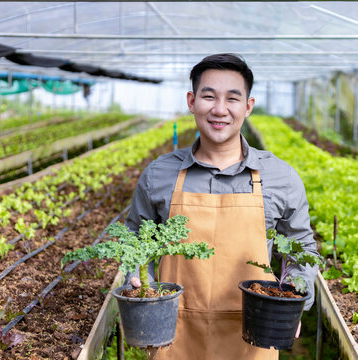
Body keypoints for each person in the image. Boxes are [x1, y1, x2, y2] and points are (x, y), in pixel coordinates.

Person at [125, 53, 318, 359]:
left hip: (254, 336)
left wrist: (297, 295)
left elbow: (301, 246)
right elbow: (135, 241)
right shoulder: (159, 175)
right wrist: (136, 282)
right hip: (173, 335)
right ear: (192, 102)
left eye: (232, 98)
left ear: (248, 107)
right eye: (209, 96)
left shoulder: (280, 176)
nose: (219, 109)